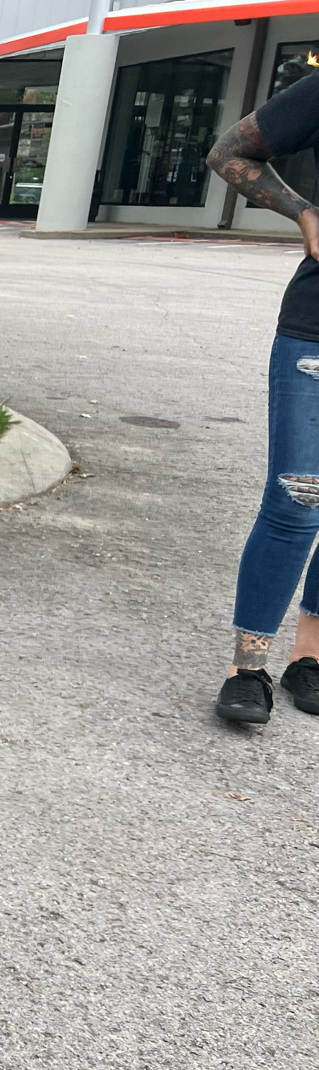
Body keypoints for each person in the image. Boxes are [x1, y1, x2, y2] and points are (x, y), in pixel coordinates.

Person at [206, 83, 319, 724]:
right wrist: (304, 211)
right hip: (315, 329)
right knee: (297, 498)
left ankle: (311, 658)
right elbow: (230, 153)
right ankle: (247, 669)